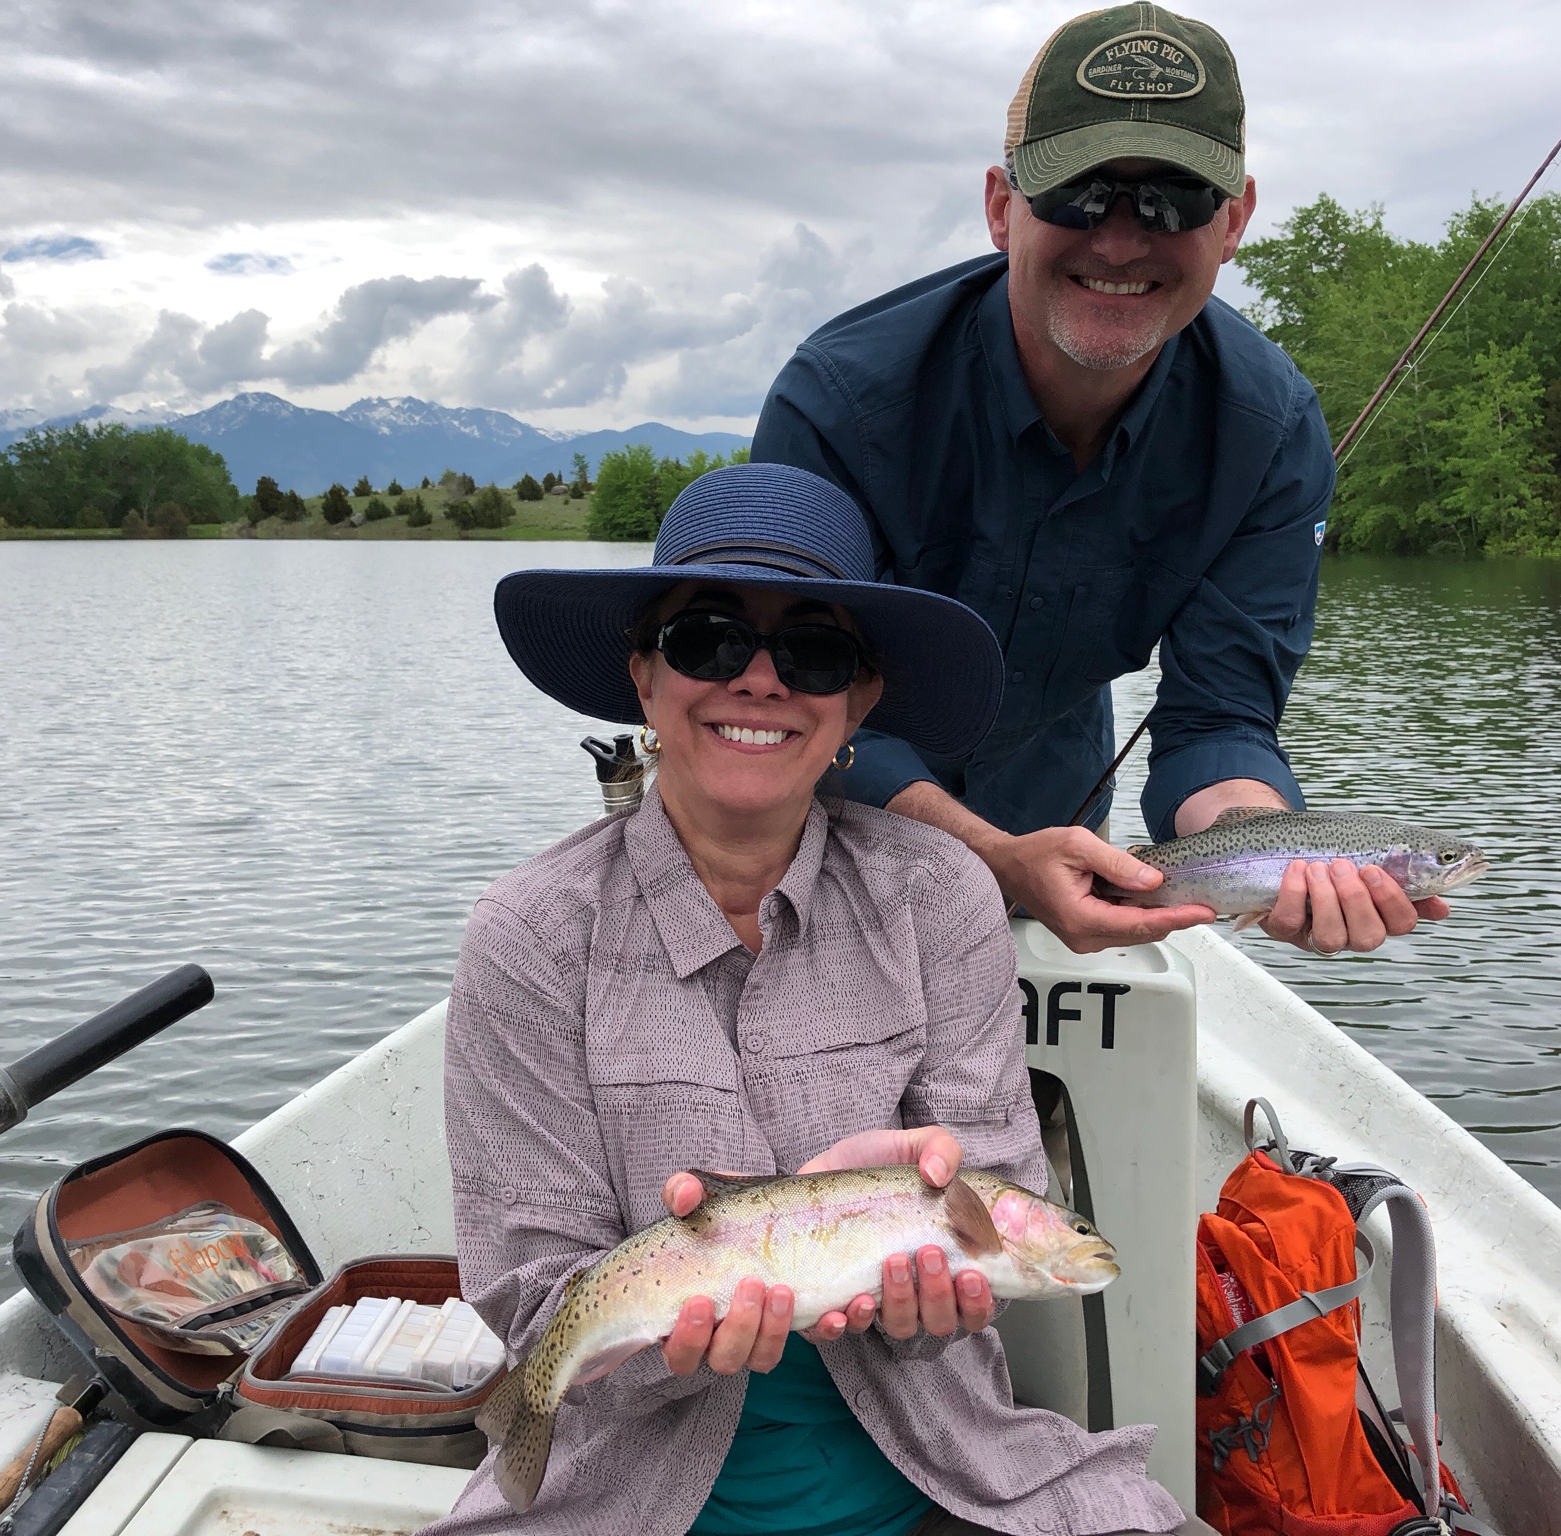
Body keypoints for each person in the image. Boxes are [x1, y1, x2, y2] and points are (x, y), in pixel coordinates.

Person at [428, 462, 1204, 1535]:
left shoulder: (941, 897)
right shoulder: (527, 936)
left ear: (859, 701)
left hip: (955, 1481)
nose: (758, 681)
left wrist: (928, 1311)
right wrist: (663, 1357)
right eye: (705, 638)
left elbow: (998, 1186)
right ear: (643, 677)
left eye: (812, 651)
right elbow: (532, 1303)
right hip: (615, 1499)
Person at [753, 4, 1450, 960]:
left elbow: (1220, 717)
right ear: (1003, 207)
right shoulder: (839, 403)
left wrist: (1276, 857)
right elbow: (784, 693)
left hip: (1057, 820)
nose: (1120, 244)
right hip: (807, 826)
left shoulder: (1272, 433)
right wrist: (989, 855)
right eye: (1078, 197)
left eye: (1172, 203)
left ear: (1235, 219)